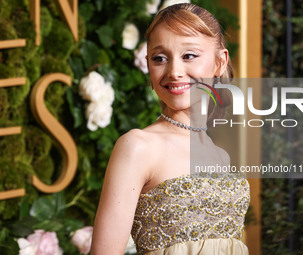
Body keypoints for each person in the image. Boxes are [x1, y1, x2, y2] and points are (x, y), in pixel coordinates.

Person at [91, 3, 250, 255]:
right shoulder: (138, 146)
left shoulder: (221, 155)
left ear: (220, 62)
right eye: (160, 58)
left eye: (189, 56)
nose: (174, 72)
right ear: (148, 65)